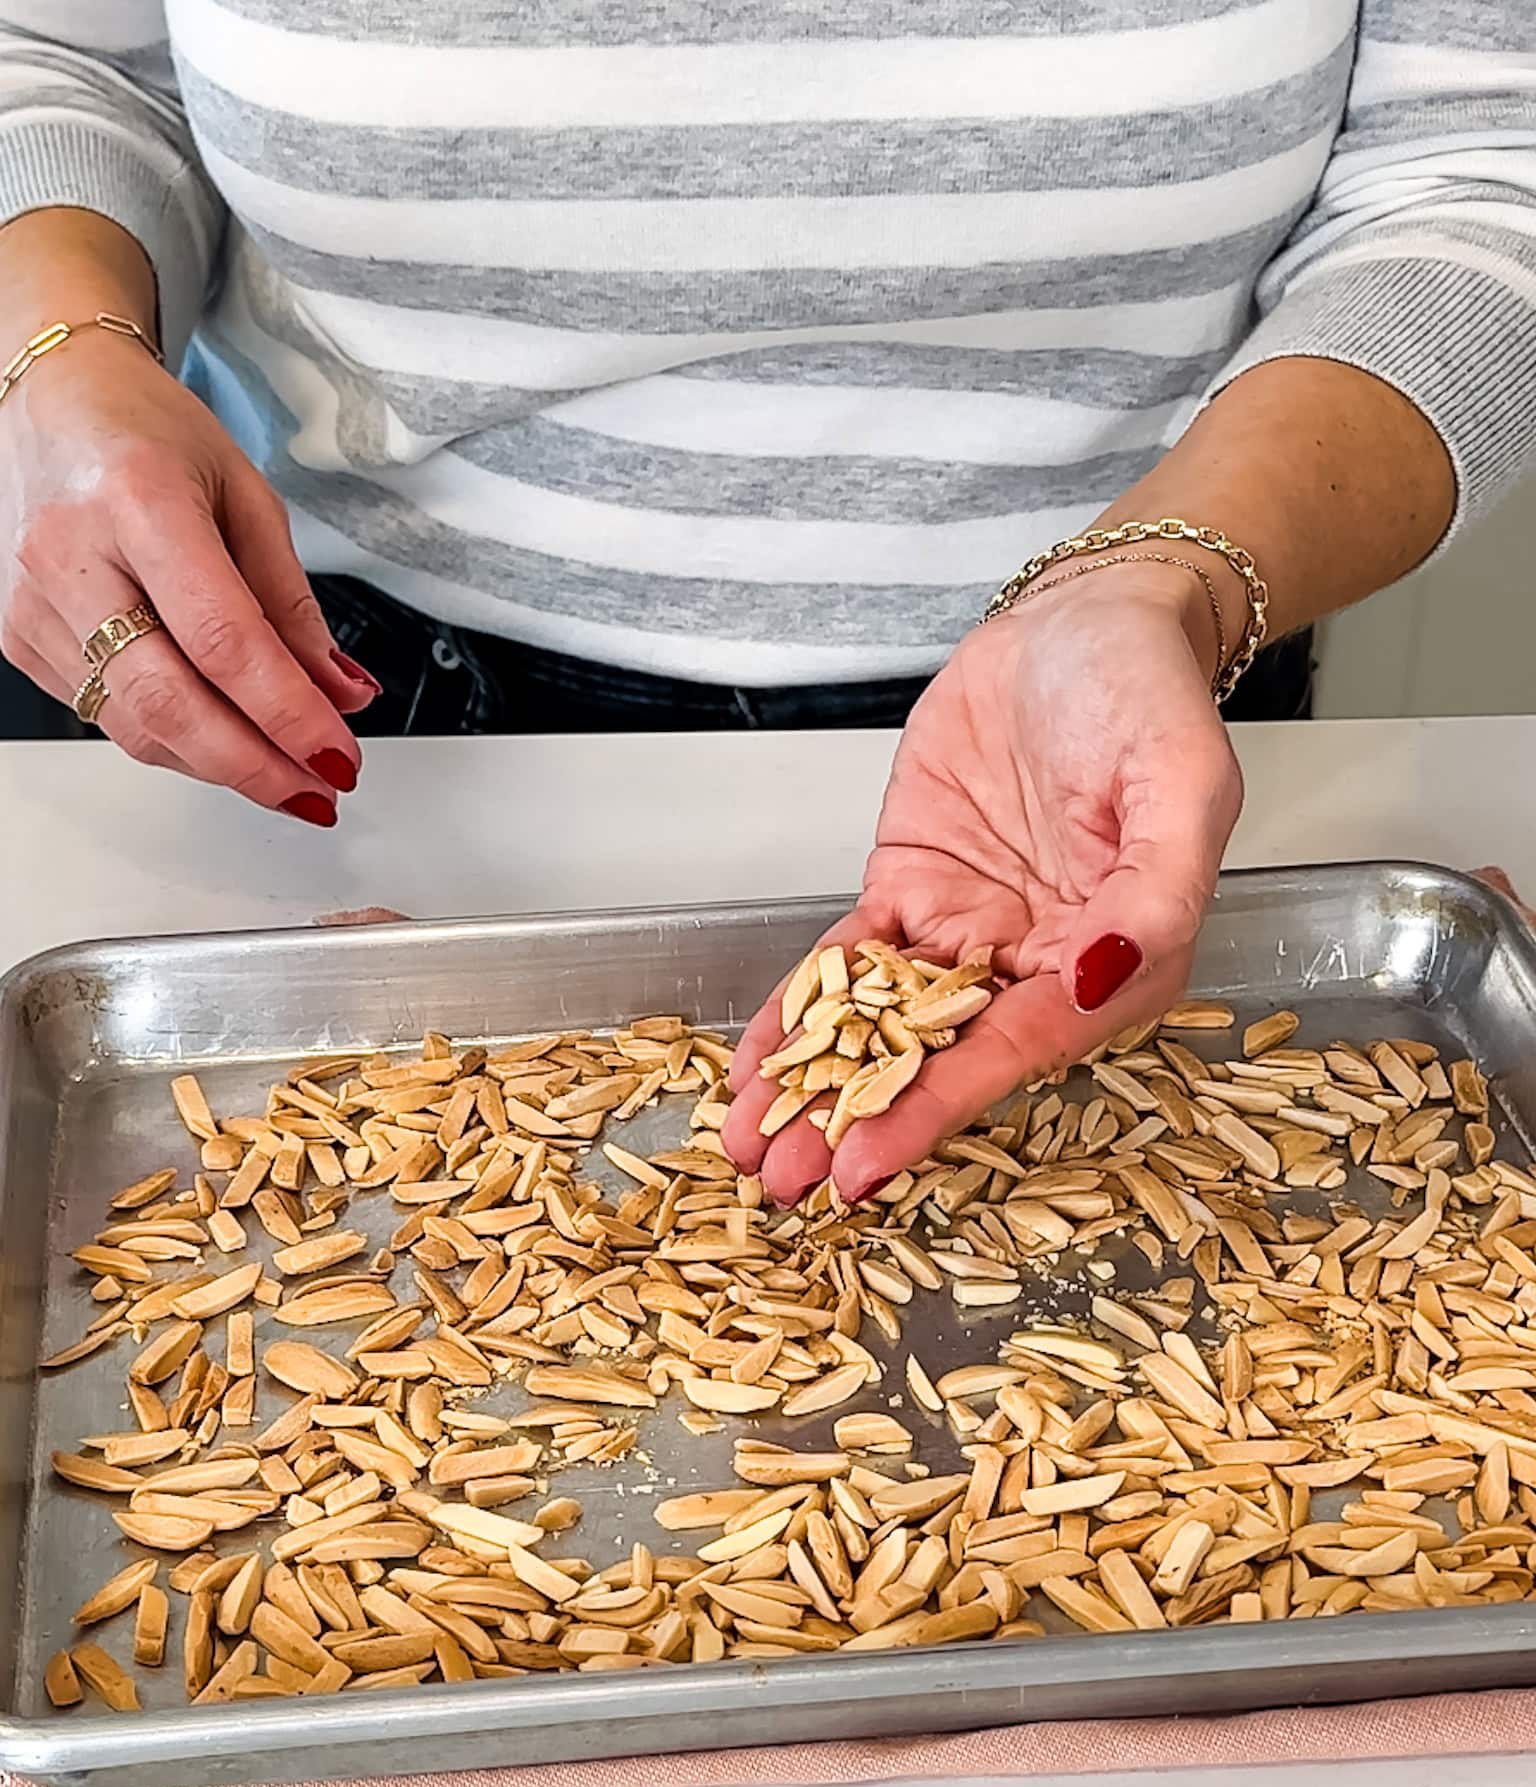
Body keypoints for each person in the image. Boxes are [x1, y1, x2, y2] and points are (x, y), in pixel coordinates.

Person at [0, 4, 1531, 1188]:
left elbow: (1472, 174)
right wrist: (54, 360)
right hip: (316, 704)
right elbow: (65, 59)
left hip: (1128, 719)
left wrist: (1152, 583)